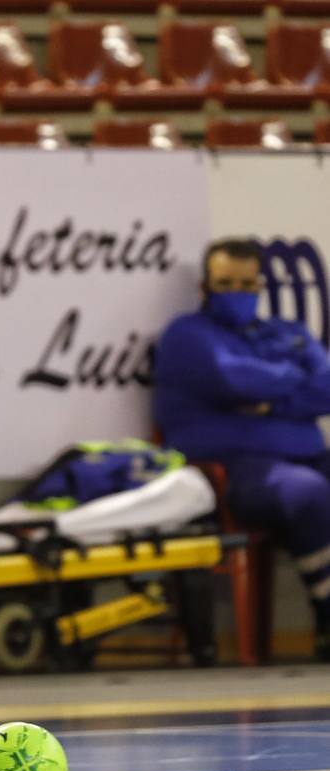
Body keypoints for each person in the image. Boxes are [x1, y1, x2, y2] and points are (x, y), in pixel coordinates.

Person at [155, 237, 330, 661]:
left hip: (303, 455)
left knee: (310, 482)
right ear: (205, 288)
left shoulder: (284, 331)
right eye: (225, 283)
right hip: (231, 472)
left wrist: (269, 401)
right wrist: (292, 378)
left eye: (247, 284)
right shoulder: (186, 336)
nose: (238, 294)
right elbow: (235, 379)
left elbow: (325, 386)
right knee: (306, 492)